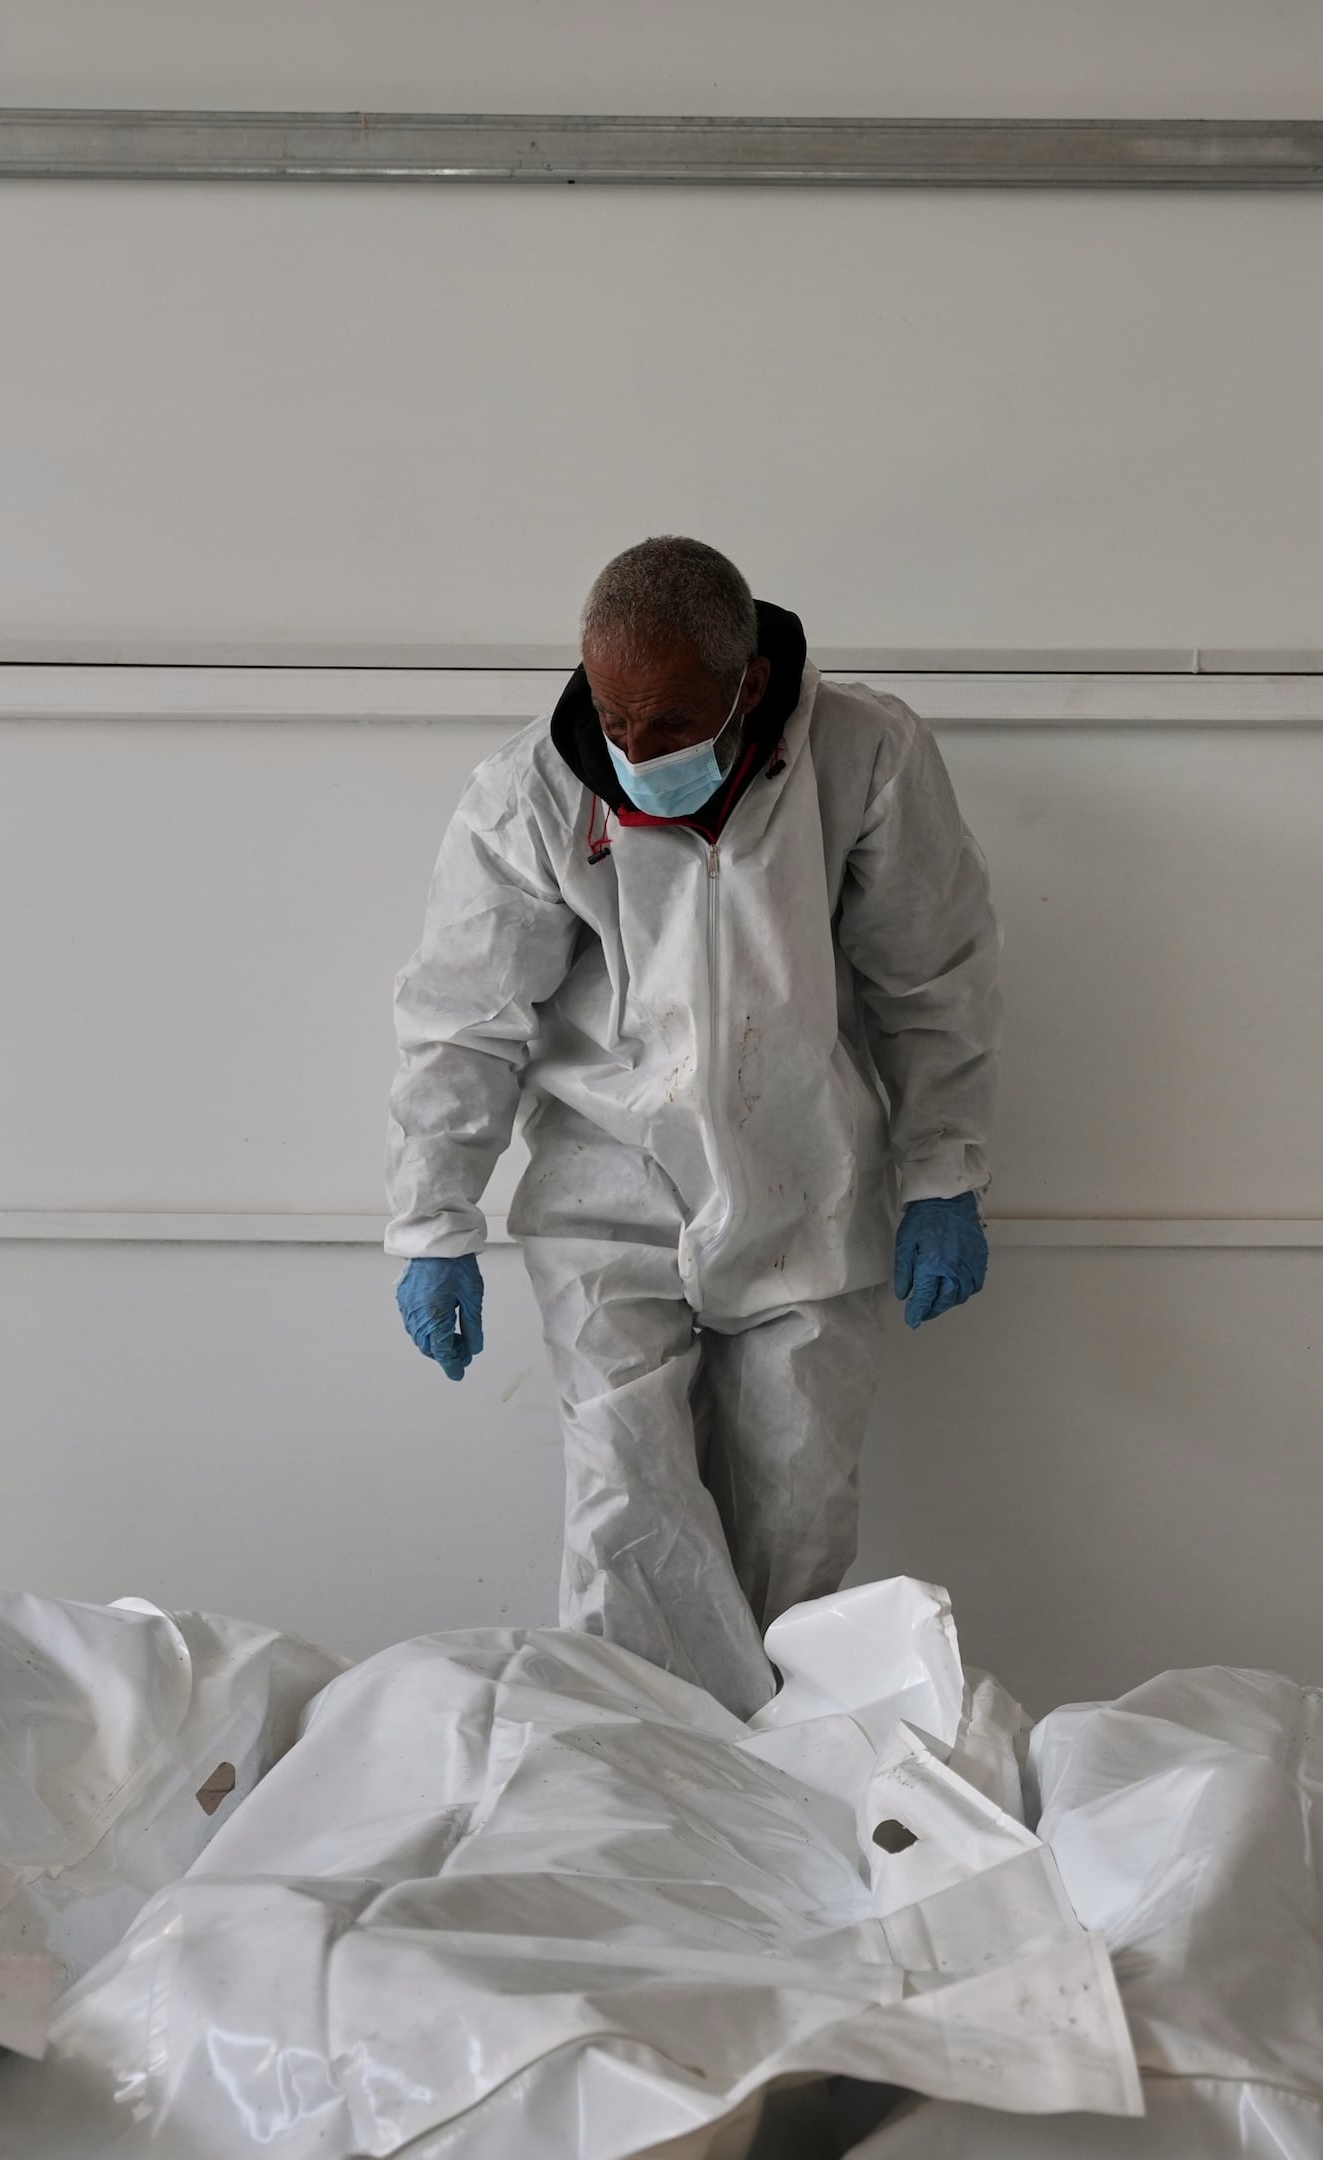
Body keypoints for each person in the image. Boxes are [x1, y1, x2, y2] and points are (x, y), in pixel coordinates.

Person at [384, 536, 1000, 1714]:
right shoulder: (533, 792)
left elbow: (932, 979)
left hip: (806, 1186)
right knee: (627, 1517)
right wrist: (433, 1220)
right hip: (608, 1194)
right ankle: (639, 1773)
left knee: (795, 1527)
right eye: (612, 713)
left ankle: (773, 1781)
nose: (632, 746)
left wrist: (943, 1168)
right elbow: (466, 1019)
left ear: (749, 682)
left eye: (668, 720)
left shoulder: (863, 756)